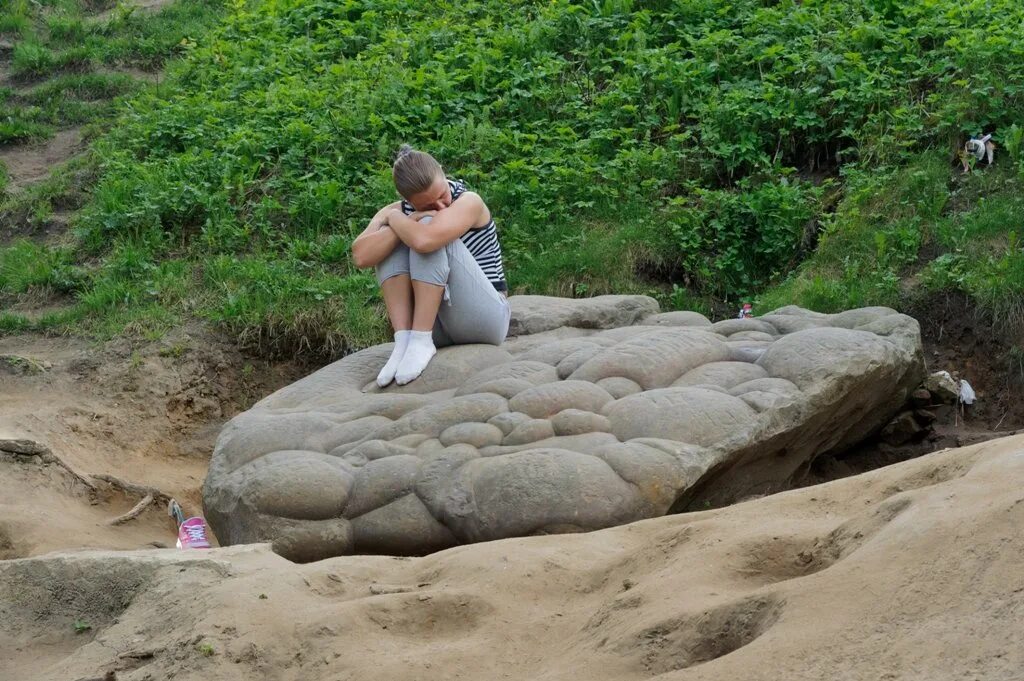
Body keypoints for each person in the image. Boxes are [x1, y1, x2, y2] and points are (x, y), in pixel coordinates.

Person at [351, 145, 510, 387]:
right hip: (440, 324)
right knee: (389, 240)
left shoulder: (469, 201)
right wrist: (398, 222)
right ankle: (405, 340)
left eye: (442, 195)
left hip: (485, 320)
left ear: (443, 173)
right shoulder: (398, 209)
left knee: (423, 228)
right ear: (407, 200)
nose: (441, 207)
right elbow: (361, 256)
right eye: (427, 204)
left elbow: (426, 240)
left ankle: (421, 340)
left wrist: (396, 219)